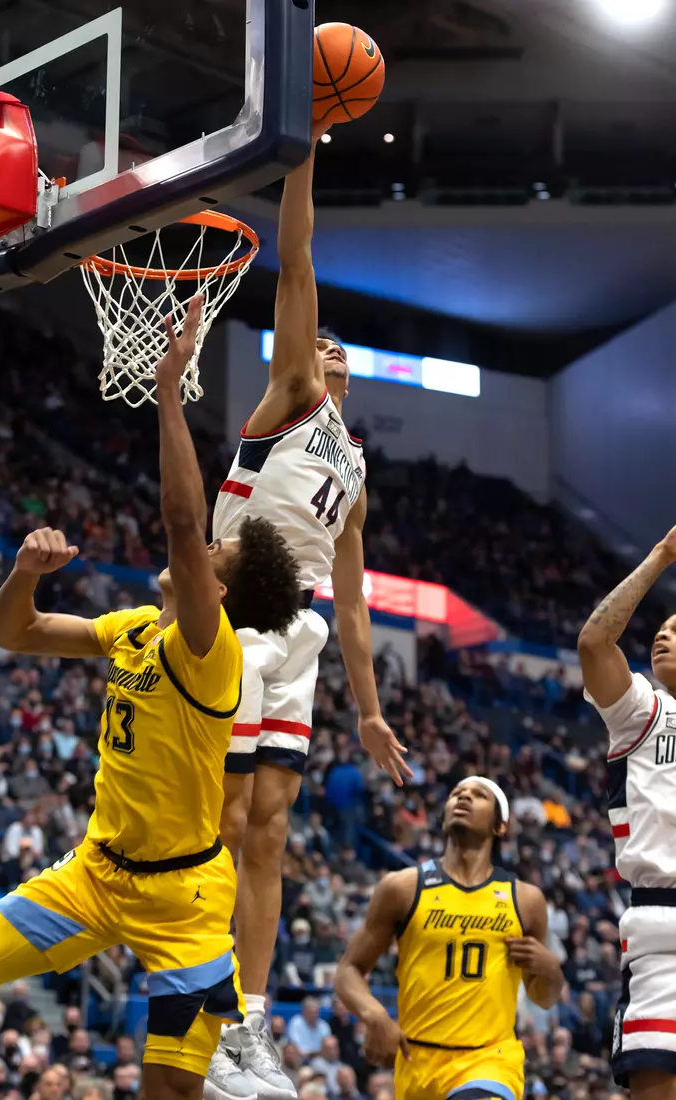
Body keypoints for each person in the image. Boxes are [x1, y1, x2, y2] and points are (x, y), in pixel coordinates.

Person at [0, 296, 302, 1100]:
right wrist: (23, 575)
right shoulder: (136, 626)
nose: (203, 544)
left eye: (217, 551)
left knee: (167, 1094)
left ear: (218, 588)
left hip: (185, 902)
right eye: (211, 539)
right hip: (95, 874)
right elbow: (18, 634)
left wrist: (170, 390)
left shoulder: (209, 656)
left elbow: (180, 518)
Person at [207, 128, 410, 1100]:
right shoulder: (288, 394)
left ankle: (247, 1024)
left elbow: (359, 595)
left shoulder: (356, 467)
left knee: (273, 828)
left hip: (304, 633)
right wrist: (300, 143)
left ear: (349, 375)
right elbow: (300, 258)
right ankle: (201, 1002)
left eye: (334, 347)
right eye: (316, 336)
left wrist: (367, 707)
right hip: (238, 609)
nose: (323, 344)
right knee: (230, 810)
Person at [335, 777, 563, 1100]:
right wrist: (375, 1016)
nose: (464, 797)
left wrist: (551, 969)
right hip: (418, 1063)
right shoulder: (402, 887)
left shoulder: (525, 900)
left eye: (479, 795)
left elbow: (543, 997)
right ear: (443, 818)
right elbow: (348, 970)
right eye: (457, 793)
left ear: (500, 826)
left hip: (490, 1059)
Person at [577, 524, 676, 1099]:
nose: (661, 637)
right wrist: (662, 554)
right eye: (659, 631)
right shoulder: (643, 710)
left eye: (675, 631)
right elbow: (594, 643)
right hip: (662, 929)